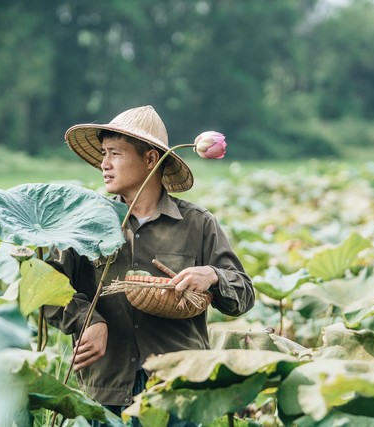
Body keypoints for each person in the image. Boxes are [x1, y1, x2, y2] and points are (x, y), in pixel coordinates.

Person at [44, 105, 254, 425]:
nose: (104, 164)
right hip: (107, 392)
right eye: (103, 153)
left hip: (179, 391)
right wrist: (89, 321)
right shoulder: (83, 222)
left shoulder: (197, 224)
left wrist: (212, 275)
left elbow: (244, 294)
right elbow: (45, 285)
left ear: (150, 159)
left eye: (115, 153)